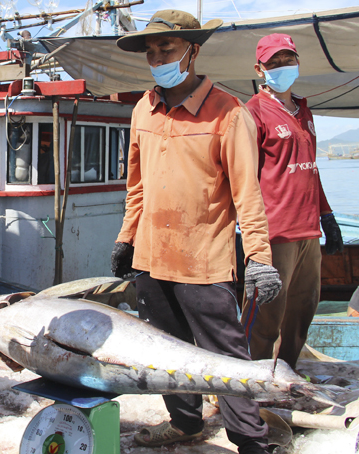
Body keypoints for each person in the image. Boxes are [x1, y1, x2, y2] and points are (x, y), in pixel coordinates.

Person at [111, 10, 282, 454]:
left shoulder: (229, 113)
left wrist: (259, 257)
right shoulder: (142, 108)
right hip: (152, 256)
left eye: (166, 49)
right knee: (166, 351)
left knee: (225, 359)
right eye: (151, 52)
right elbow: (137, 186)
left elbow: (249, 195)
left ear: (192, 51)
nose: (157, 58)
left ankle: (250, 441)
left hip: (205, 261)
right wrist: (126, 239)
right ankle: (185, 422)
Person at [239, 34, 344, 373]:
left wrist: (327, 216)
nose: (283, 67)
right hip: (274, 234)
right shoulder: (252, 113)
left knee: (302, 311)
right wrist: (250, 240)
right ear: (260, 68)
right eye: (274, 62)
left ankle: (286, 374)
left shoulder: (304, 111)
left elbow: (310, 171)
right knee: (263, 317)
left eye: (288, 60)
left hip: (308, 232)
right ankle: (249, 382)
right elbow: (243, 179)